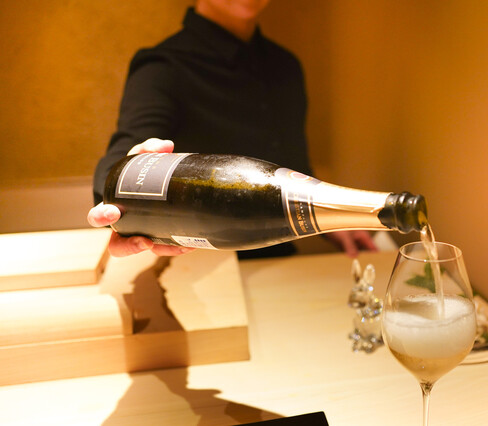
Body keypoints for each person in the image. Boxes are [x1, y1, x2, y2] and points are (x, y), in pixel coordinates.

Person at [88, 0, 377, 258]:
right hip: (201, 268)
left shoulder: (285, 66)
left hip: (280, 259)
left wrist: (334, 222)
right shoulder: (162, 67)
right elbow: (122, 157)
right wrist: (118, 198)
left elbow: (295, 171)